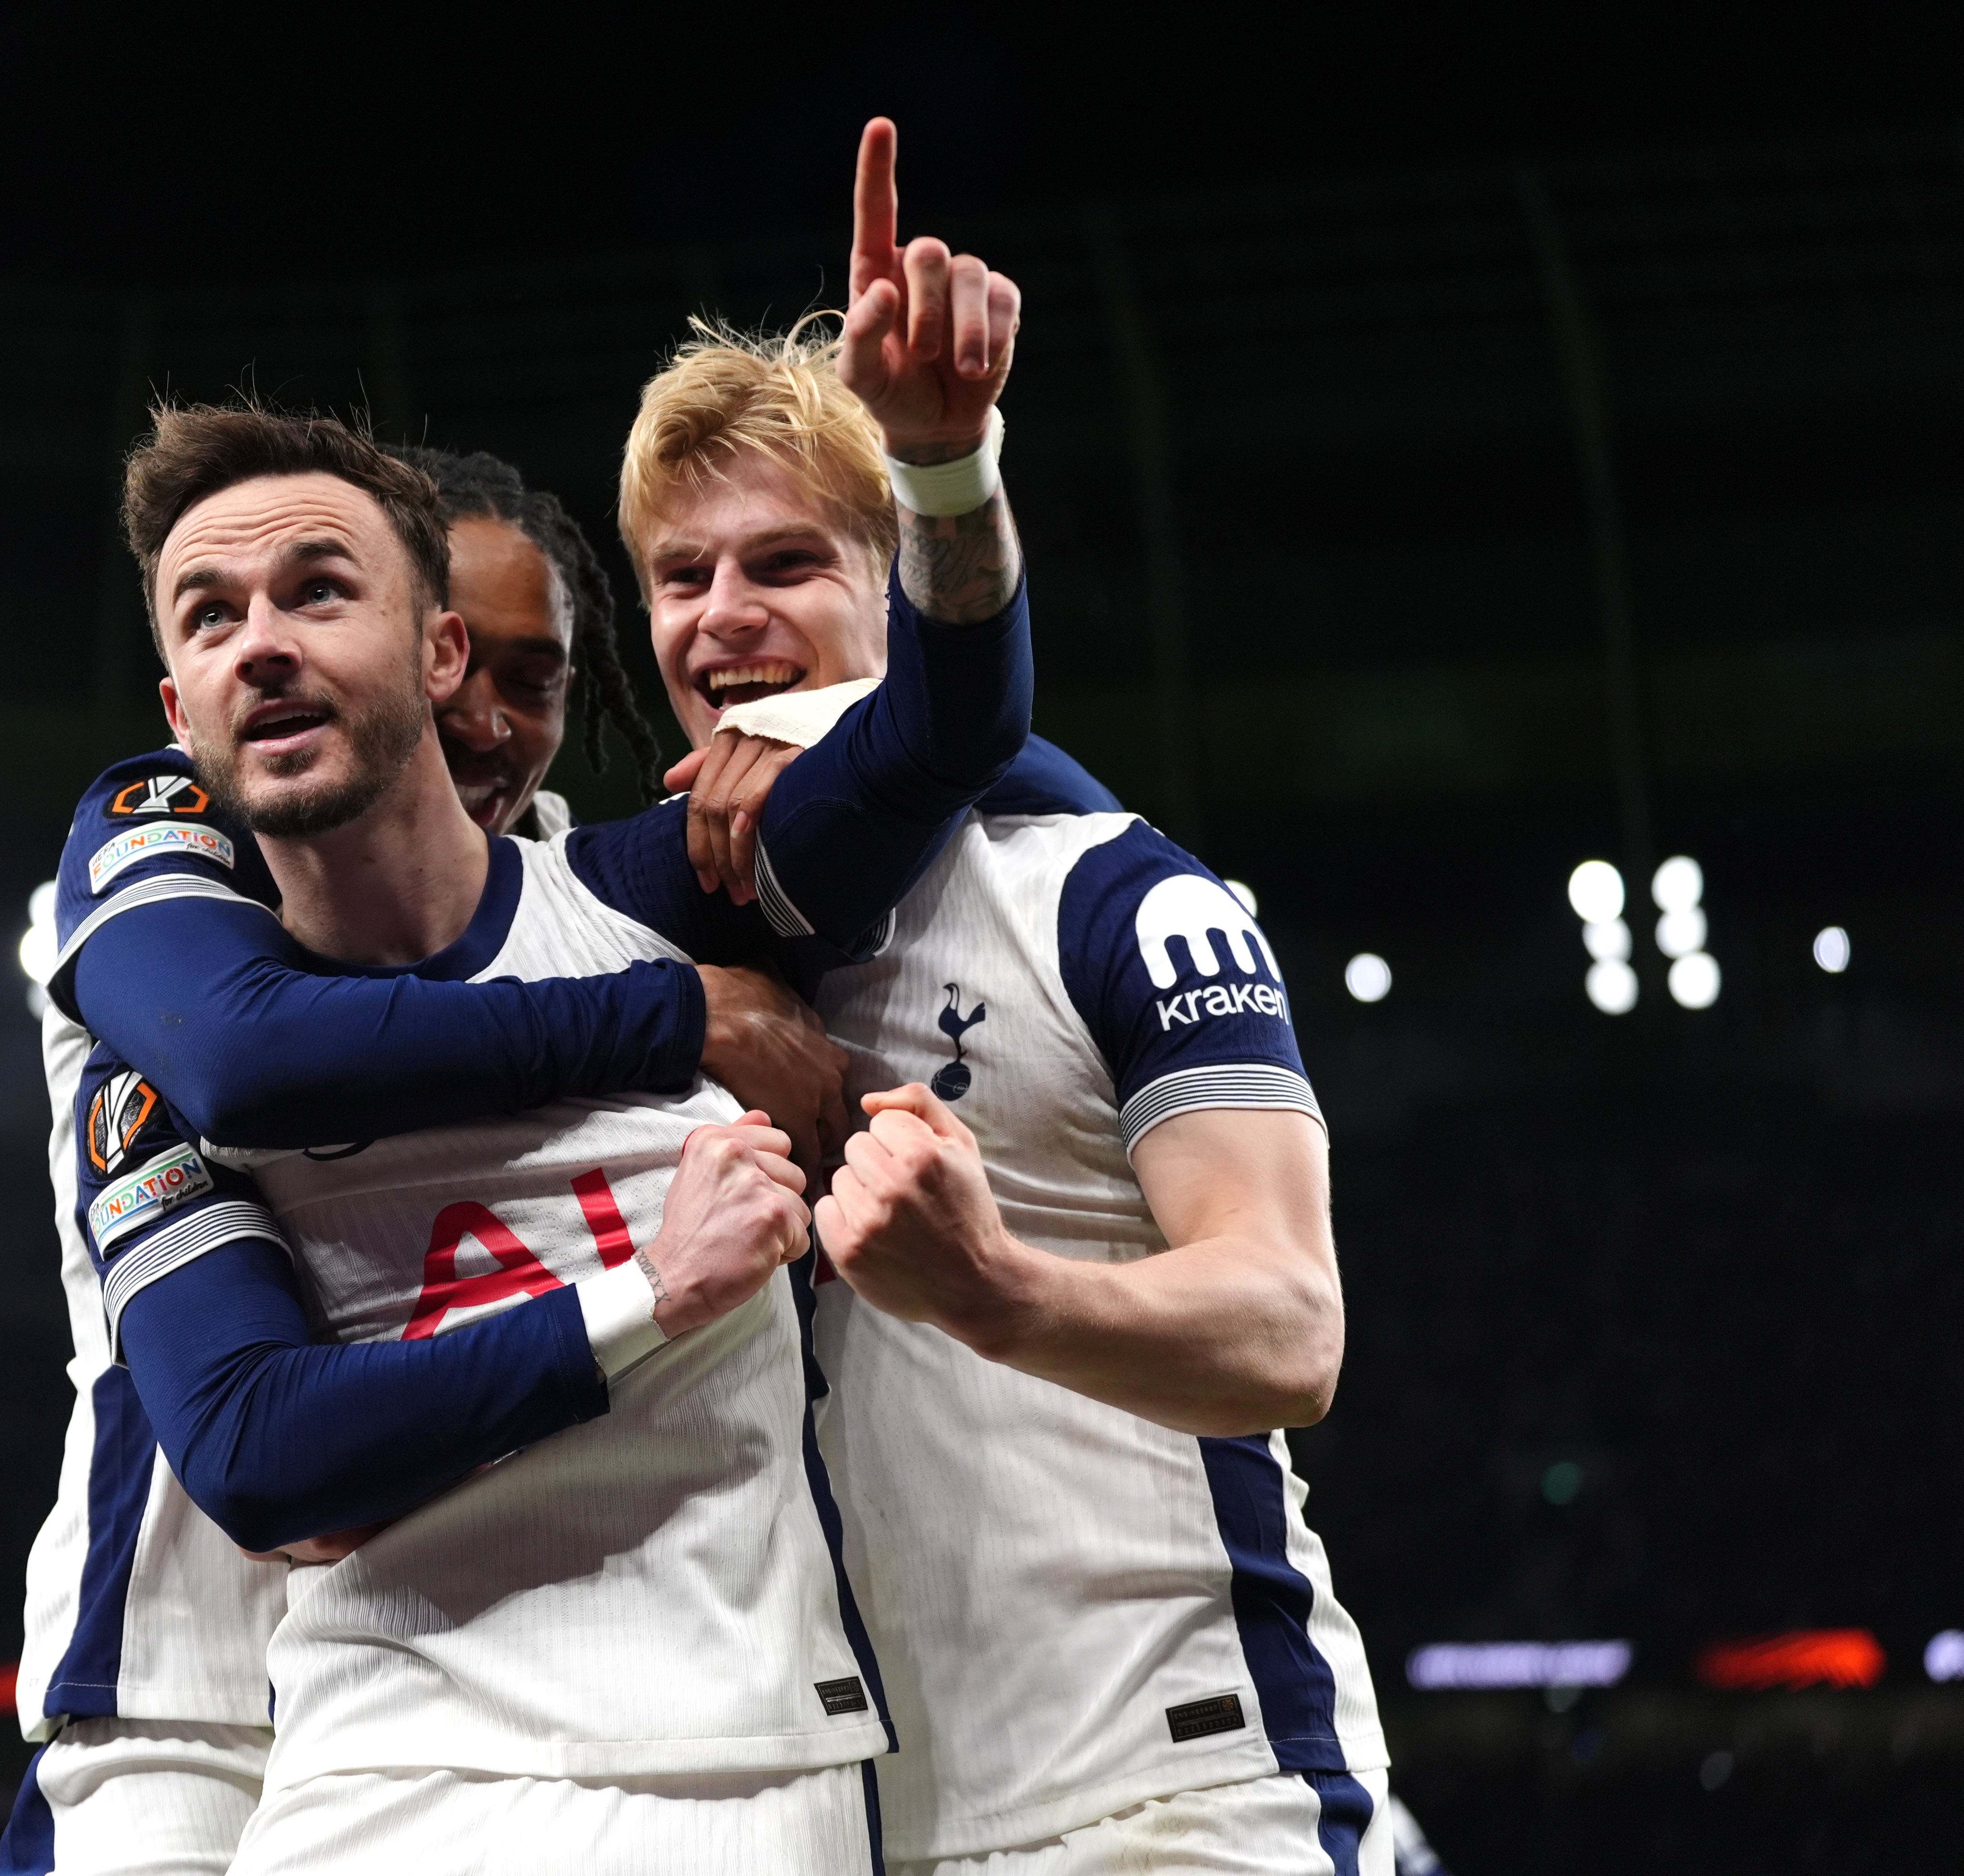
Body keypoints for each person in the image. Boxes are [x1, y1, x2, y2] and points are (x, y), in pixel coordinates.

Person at [83, 367, 1026, 1870]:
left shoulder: (656, 892)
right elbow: (259, 1447)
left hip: (737, 1766)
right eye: (209, 616)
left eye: (318, 594)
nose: (260, 645)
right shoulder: (154, 1025)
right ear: (171, 707)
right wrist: (646, 1283)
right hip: (353, 1770)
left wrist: (936, 472)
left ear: (428, 646)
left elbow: (952, 724)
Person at [638, 121, 1392, 1876]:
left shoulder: (1121, 890)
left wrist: (995, 1284)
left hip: (1172, 1791)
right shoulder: (691, 946)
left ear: (894, 595)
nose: (726, 616)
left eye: (785, 564)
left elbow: (1289, 1329)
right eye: (682, 577)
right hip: (850, 1828)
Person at [397, 444, 657, 842]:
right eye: (439, 661)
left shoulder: (594, 887)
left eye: (533, 682)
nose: (484, 728)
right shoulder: (269, 886)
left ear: (563, 695)